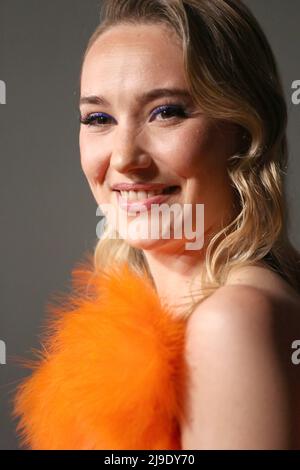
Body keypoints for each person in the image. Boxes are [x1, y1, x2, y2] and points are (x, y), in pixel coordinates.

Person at [12, 0, 300, 450]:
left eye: (166, 112)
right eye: (98, 119)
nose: (125, 157)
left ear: (245, 129)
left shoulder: (231, 323)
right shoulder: (153, 318)